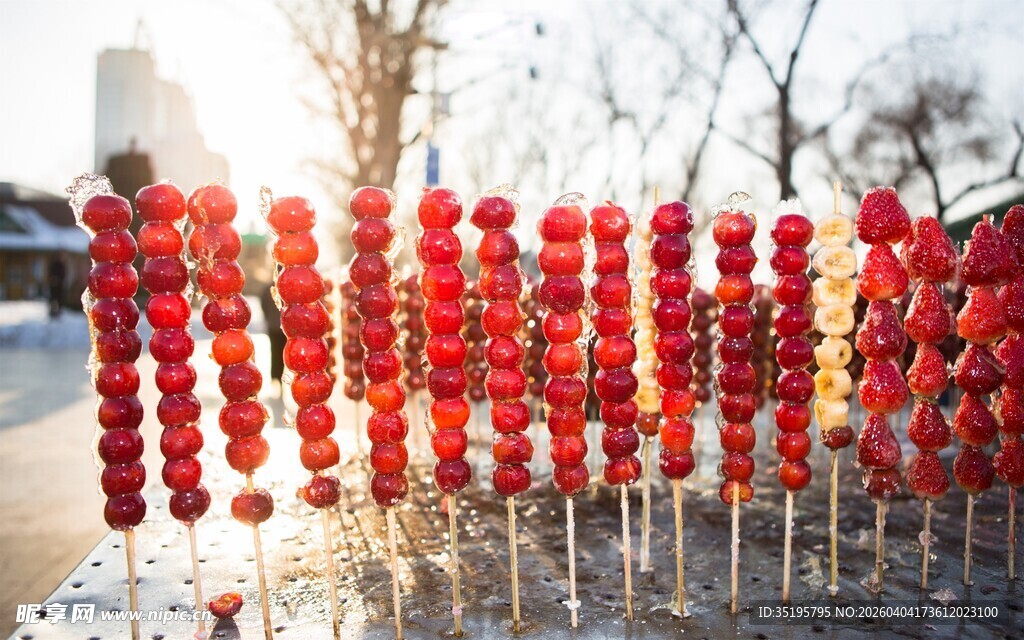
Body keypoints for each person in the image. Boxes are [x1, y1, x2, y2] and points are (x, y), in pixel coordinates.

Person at [259, 281, 285, 397]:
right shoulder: (285, 287)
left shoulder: (267, 288)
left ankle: (276, 377)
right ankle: (279, 377)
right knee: (282, 353)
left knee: (275, 352)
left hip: (273, 326)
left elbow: (263, 305)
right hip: (282, 327)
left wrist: (268, 318)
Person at [47, 252, 67, 319]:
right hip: (53, 285)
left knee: (59, 299)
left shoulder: (61, 265)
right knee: (52, 298)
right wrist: (53, 279)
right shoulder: (53, 264)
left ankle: (58, 312)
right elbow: (50, 273)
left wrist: (59, 280)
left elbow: (63, 274)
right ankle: (52, 311)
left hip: (59, 285)